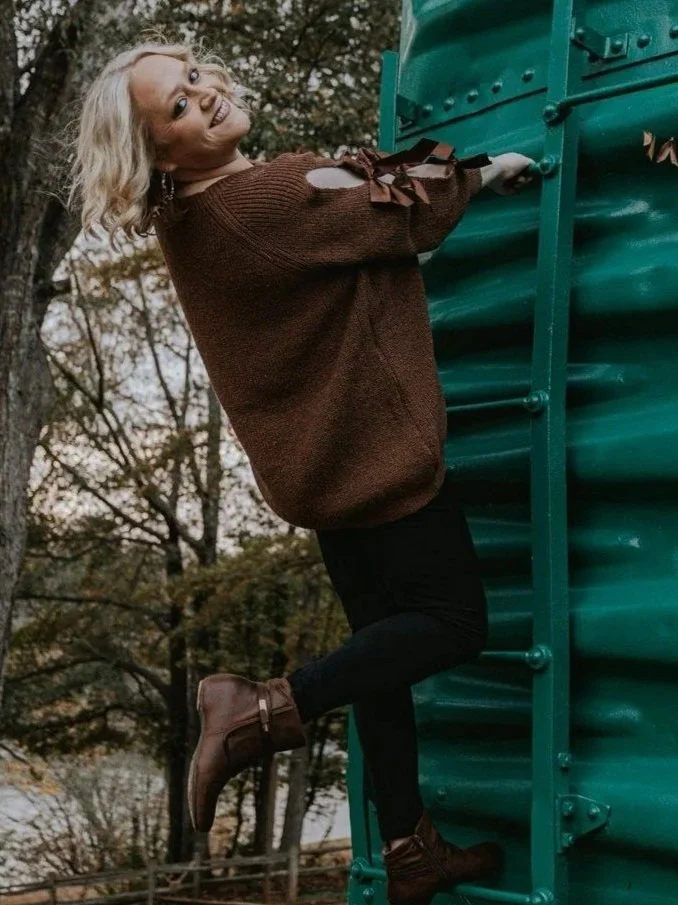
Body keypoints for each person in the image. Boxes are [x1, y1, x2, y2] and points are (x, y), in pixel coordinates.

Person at [70, 38, 535, 905]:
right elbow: (404, 207)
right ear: (158, 155)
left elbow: (352, 227)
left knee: (382, 659)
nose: (204, 95)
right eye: (177, 106)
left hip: (326, 475)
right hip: (381, 465)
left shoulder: (196, 221)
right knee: (453, 621)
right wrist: (490, 168)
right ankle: (257, 712)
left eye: (195, 77)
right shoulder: (269, 197)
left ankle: (407, 845)